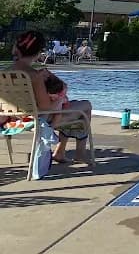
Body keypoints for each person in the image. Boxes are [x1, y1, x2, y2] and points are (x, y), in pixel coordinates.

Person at [11, 31, 94, 165]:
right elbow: (46, 108)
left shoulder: (5, 72)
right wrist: (60, 96)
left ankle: (60, 152)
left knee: (73, 105)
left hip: (13, 117)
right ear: (38, 53)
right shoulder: (34, 76)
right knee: (85, 106)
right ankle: (79, 153)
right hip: (38, 119)